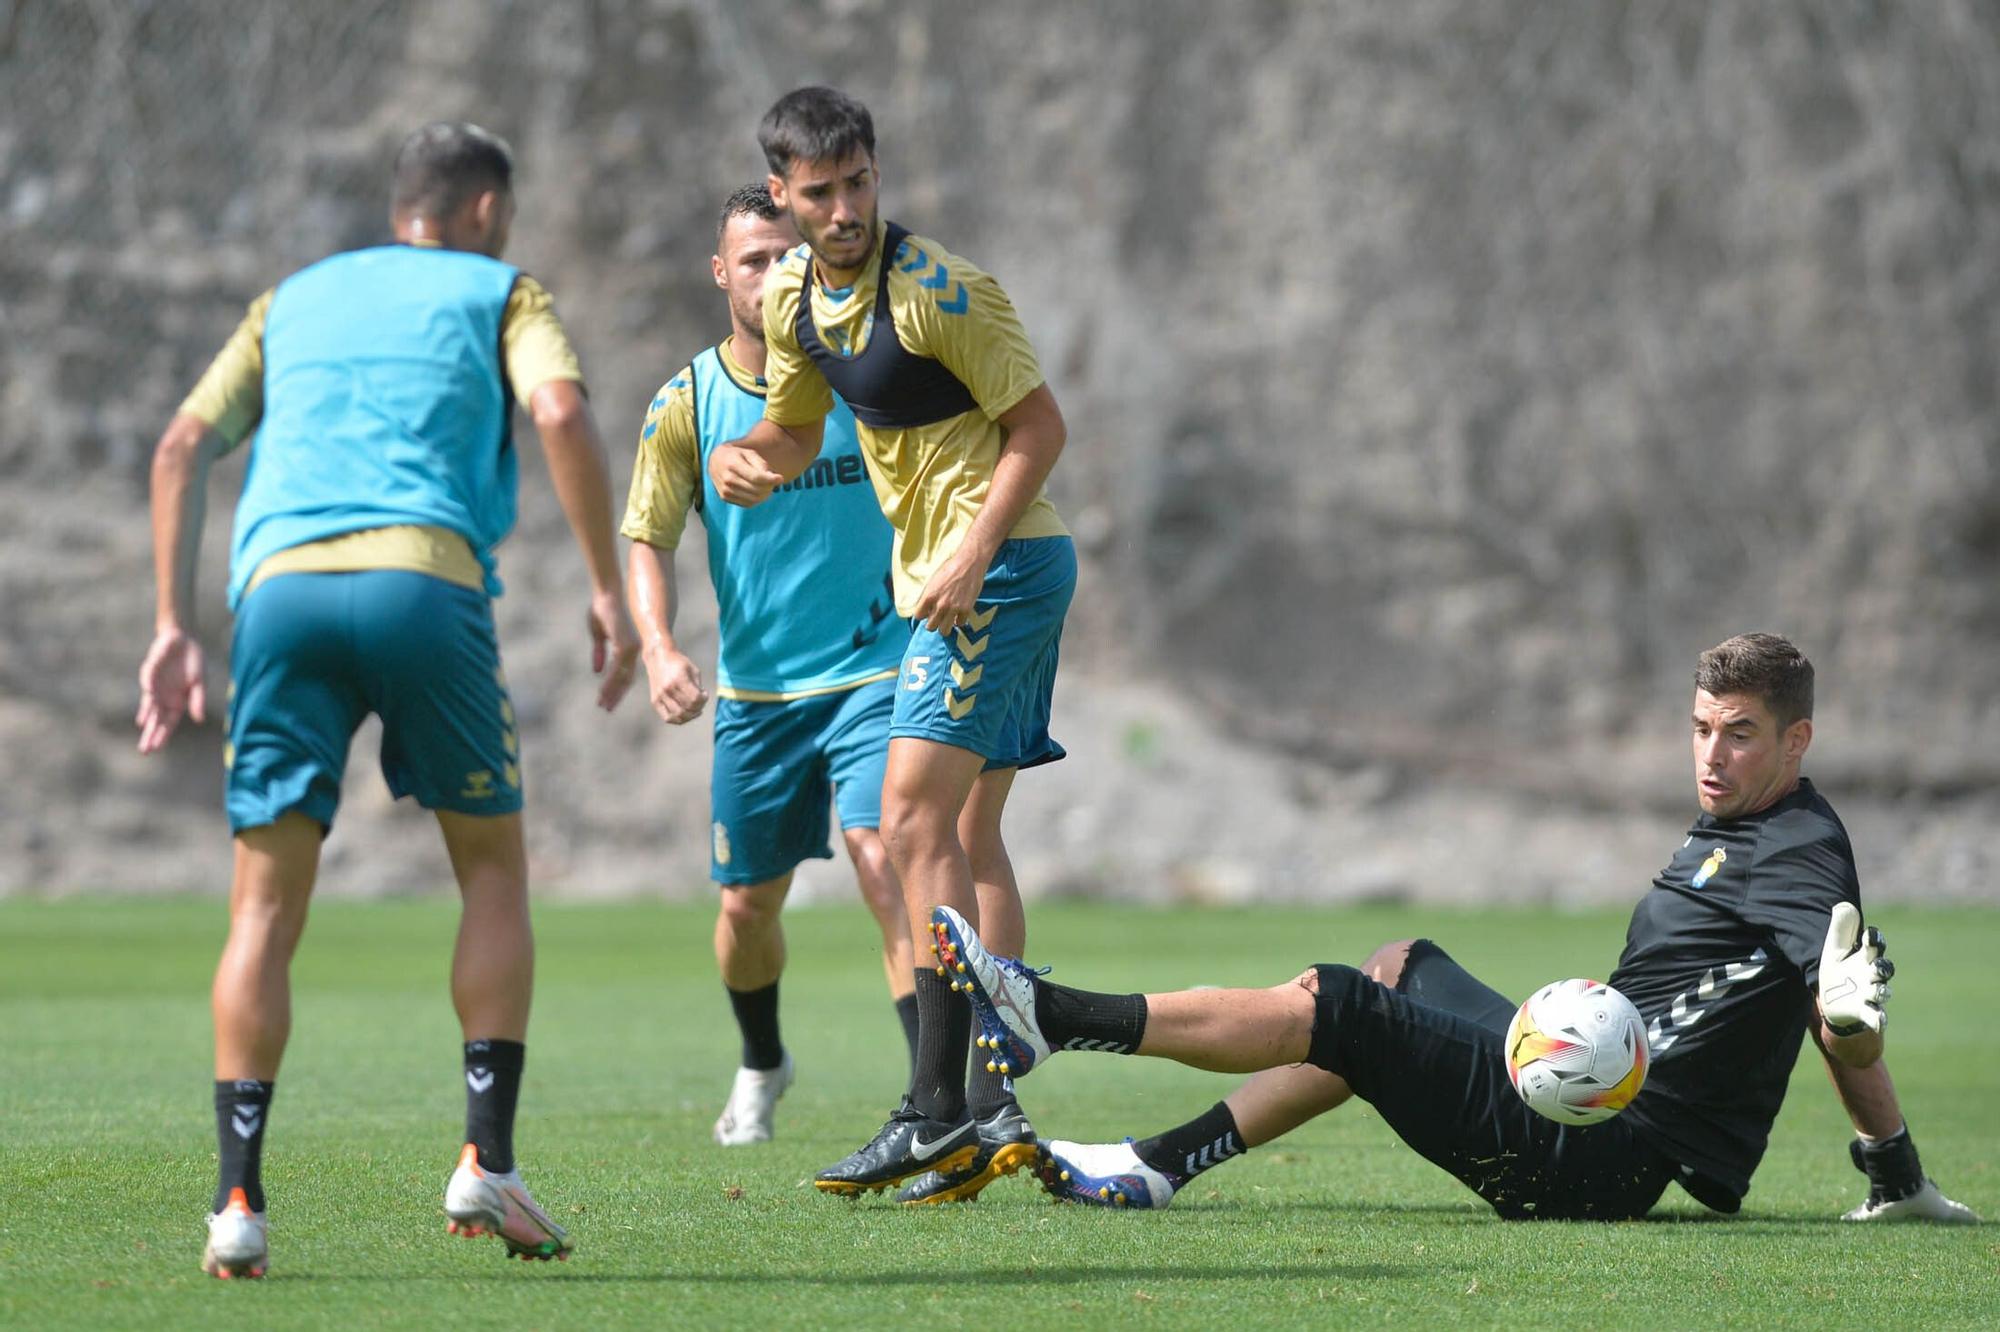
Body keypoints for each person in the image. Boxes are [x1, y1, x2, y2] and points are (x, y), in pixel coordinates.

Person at [935, 634, 1979, 1221]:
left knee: (1340, 1001)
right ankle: (1161, 1165)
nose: (1711, 754)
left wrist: (1853, 1027)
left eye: (1741, 735)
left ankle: (1053, 1016)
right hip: (1587, 1103)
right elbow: (1818, 987)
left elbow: (1833, 1002)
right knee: (1400, 967)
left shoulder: (1797, 845)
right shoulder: (1739, 827)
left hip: (1601, 1157)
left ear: (1796, 739)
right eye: (1701, 728)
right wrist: (1889, 1171)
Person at [137, 122, 640, 1278]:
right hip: (425, 587)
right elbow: (559, 414)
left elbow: (180, 448)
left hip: (279, 597)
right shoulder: (503, 289)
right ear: (480, 210)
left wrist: (172, 628)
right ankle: (484, 1158)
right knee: (494, 870)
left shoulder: (291, 298)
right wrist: (608, 589)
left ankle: (236, 1203)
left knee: (262, 911)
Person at [707, 87, 1074, 1204]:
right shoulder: (795, 305)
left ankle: (935, 1109)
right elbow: (799, 421)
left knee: (904, 816)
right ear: (782, 195)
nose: (843, 208)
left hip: (995, 575)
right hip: (956, 582)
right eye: (817, 193)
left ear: (874, 173)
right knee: (962, 829)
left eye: (857, 182)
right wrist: (752, 457)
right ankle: (985, 1098)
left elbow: (1039, 427)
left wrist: (967, 552)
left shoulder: (937, 292)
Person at [622, 184, 920, 1146]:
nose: (772, 273)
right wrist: (662, 647)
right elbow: (648, 537)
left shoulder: (870, 374)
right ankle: (762, 1062)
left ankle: (936, 1099)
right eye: (752, 258)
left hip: (880, 667)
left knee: (885, 858)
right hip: (759, 695)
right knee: (748, 906)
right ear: (722, 274)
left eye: (786, 255)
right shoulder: (686, 402)